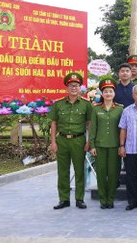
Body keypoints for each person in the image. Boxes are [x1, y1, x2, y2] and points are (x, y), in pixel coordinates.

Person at [50, 72, 91, 210]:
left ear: (80, 88)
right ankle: (64, 199)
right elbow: (54, 123)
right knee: (63, 171)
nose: (74, 88)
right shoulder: (58, 104)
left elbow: (89, 123)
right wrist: (53, 142)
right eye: (71, 85)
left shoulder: (86, 104)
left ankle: (79, 199)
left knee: (80, 171)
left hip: (78, 140)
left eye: (76, 85)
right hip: (62, 141)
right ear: (67, 87)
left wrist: (88, 141)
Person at [89, 78, 124, 209]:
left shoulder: (120, 109)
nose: (108, 94)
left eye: (110, 91)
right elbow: (93, 128)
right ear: (102, 94)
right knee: (101, 174)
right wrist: (92, 145)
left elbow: (122, 129)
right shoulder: (96, 109)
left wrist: (122, 145)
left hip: (115, 146)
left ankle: (111, 199)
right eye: (105, 91)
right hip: (100, 146)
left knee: (114, 174)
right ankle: (103, 200)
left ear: (114, 93)